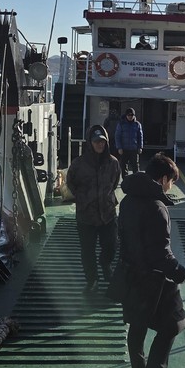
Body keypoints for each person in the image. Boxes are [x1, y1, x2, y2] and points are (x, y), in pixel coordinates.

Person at [118, 153, 185, 368]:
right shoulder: (157, 207)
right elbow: (161, 251)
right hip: (154, 278)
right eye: (171, 182)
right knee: (175, 322)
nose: (171, 187)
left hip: (130, 273)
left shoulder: (127, 200)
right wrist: (179, 272)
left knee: (137, 325)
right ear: (163, 179)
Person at [65, 125, 121, 293]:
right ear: (90, 143)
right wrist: (83, 198)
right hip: (86, 216)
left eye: (102, 141)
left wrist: (106, 198)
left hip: (107, 214)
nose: (99, 144)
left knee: (111, 245)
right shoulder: (78, 164)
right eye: (96, 141)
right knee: (87, 251)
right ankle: (92, 281)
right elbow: (71, 182)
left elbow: (115, 182)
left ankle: (105, 264)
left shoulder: (113, 162)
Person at [115, 107, 143, 178]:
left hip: (134, 149)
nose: (130, 116)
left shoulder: (137, 124)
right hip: (124, 149)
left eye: (132, 115)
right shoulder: (121, 124)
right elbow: (117, 136)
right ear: (126, 115)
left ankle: (136, 180)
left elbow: (140, 137)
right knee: (123, 166)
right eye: (128, 115)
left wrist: (140, 147)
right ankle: (125, 180)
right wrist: (119, 147)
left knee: (135, 166)